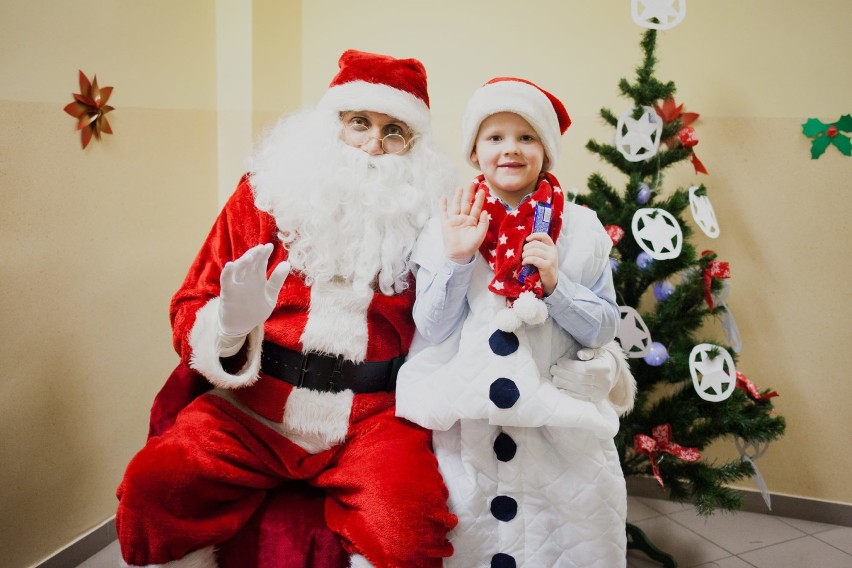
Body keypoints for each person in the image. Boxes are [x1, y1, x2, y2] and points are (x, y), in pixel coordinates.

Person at [116, 49, 458, 568]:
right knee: (151, 490)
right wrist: (228, 326)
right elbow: (191, 301)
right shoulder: (265, 194)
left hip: (371, 419)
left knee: (409, 532)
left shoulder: (432, 218)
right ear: (330, 126)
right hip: (254, 407)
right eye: (359, 123)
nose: (372, 145)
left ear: (414, 149)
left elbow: (450, 318)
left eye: (394, 132)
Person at [396, 77, 636, 567]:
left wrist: (555, 286)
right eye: (495, 137)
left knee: (571, 544)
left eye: (526, 137)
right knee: (470, 542)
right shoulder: (447, 223)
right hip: (470, 425)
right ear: (475, 151)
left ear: (545, 151)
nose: (511, 150)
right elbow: (432, 327)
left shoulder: (583, 229)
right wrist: (459, 260)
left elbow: (603, 326)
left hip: (559, 428)